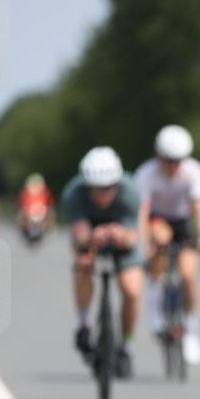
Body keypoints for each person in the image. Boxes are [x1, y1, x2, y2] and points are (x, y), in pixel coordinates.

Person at [135, 125, 200, 364]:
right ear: (158, 156)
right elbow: (142, 213)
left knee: (189, 274)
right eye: (167, 160)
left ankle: (190, 328)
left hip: (181, 221)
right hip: (157, 219)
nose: (173, 166)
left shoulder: (194, 171)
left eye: (178, 161)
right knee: (160, 239)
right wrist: (145, 243)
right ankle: (155, 309)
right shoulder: (146, 173)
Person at [62, 147, 145, 378]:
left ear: (117, 184)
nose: (102, 195)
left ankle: (126, 346)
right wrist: (91, 238)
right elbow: (79, 236)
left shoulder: (131, 192)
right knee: (84, 264)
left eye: (108, 188)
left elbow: (132, 237)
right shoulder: (73, 194)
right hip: (90, 234)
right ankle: (84, 324)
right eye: (96, 190)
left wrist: (120, 235)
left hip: (121, 237)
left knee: (131, 289)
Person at [17, 173, 55, 237]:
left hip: (41, 210)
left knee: (51, 215)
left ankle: (48, 228)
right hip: (29, 211)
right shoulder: (26, 192)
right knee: (20, 216)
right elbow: (20, 201)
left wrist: (48, 208)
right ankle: (22, 229)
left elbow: (50, 201)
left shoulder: (45, 191)